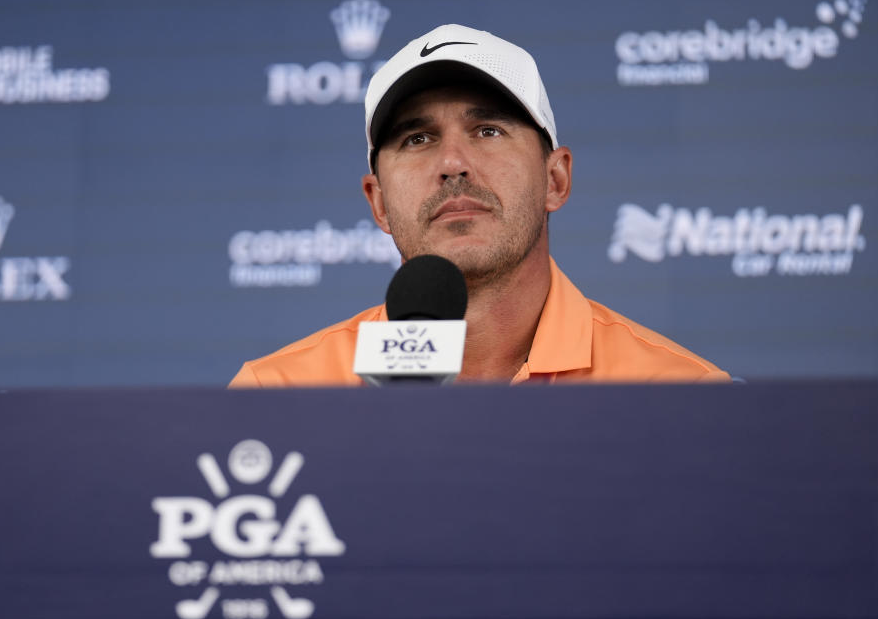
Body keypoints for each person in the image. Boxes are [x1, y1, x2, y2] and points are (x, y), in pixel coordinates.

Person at [230, 24, 729, 388]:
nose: (452, 162)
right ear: (378, 203)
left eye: (488, 131)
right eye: (418, 138)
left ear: (555, 179)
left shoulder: (683, 394)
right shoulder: (278, 395)